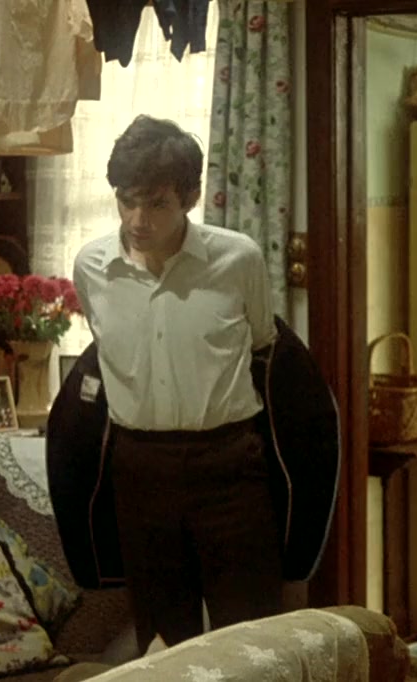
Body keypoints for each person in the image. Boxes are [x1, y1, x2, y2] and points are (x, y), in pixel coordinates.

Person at [69, 115, 283, 651]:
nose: (137, 220)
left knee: (250, 639)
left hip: (228, 464)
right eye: (126, 201)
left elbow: (262, 341)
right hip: (140, 467)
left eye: (156, 204)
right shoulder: (92, 267)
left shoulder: (238, 259)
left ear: (190, 198)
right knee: (163, 643)